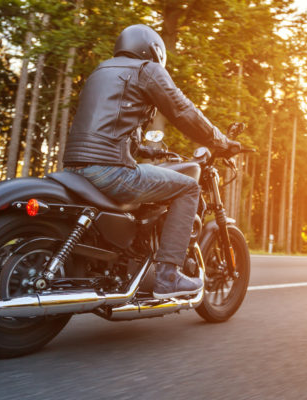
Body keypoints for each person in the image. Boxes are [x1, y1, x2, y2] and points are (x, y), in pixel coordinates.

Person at [63, 24, 237, 299]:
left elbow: (108, 125)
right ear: (154, 50)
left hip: (75, 167)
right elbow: (183, 112)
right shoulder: (147, 69)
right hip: (110, 170)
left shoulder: (101, 71)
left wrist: (145, 148)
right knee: (188, 188)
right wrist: (220, 141)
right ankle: (167, 277)